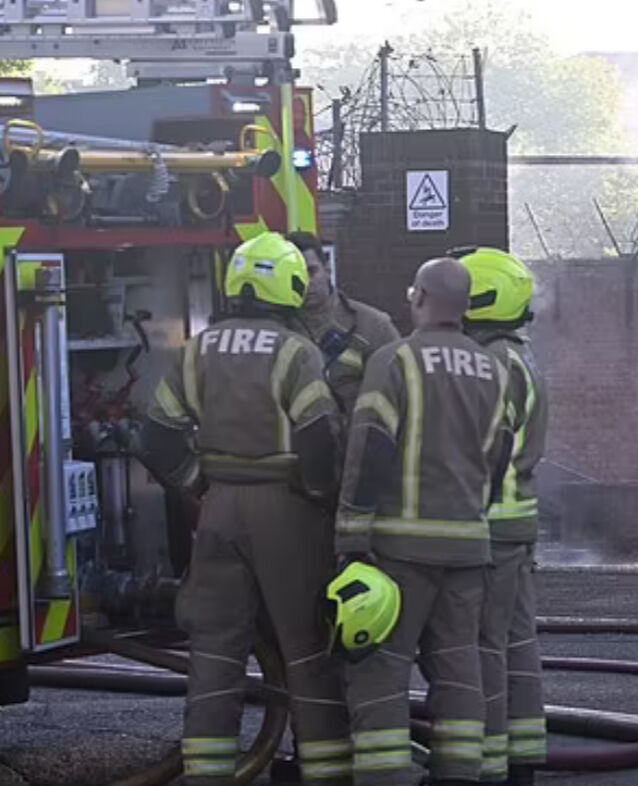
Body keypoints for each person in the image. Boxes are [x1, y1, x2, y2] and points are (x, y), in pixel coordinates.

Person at [141, 232, 350, 784]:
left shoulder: (197, 350)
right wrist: (319, 494)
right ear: (290, 287)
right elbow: (319, 435)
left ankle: (208, 774)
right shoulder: (296, 352)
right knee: (307, 647)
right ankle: (325, 771)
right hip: (288, 508)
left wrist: (197, 485)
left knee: (214, 650)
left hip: (219, 510)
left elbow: (156, 433)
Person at [331, 257, 510, 786]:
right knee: (459, 670)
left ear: (419, 298)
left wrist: (351, 534)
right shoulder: (493, 370)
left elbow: (370, 449)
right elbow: (499, 456)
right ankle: (459, 774)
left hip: (398, 550)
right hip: (468, 549)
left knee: (381, 670)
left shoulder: (394, 360)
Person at [421, 248, 547, 785]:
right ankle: (520, 760)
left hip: (489, 526)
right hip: (517, 525)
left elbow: (477, 447)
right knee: (516, 647)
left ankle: (487, 766)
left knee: (480, 650)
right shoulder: (521, 356)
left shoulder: (492, 361)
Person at [288, 232, 401, 415]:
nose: (305, 282)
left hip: (356, 438)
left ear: (328, 270)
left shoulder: (373, 327)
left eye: (311, 271)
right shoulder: (278, 332)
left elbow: (399, 392)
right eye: (295, 275)